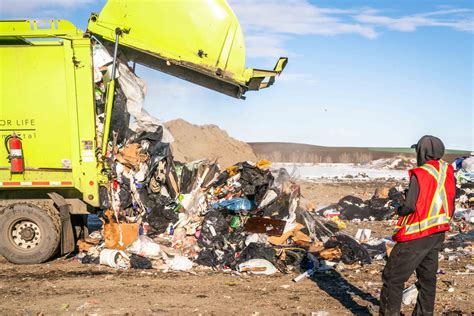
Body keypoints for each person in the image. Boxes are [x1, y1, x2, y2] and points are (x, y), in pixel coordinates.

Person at [379, 135, 456, 315]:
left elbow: (409, 206)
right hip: (438, 232)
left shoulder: (420, 174)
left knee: (392, 278)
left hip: (418, 233)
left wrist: (398, 209)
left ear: (422, 152)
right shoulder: (447, 171)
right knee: (427, 279)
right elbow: (450, 200)